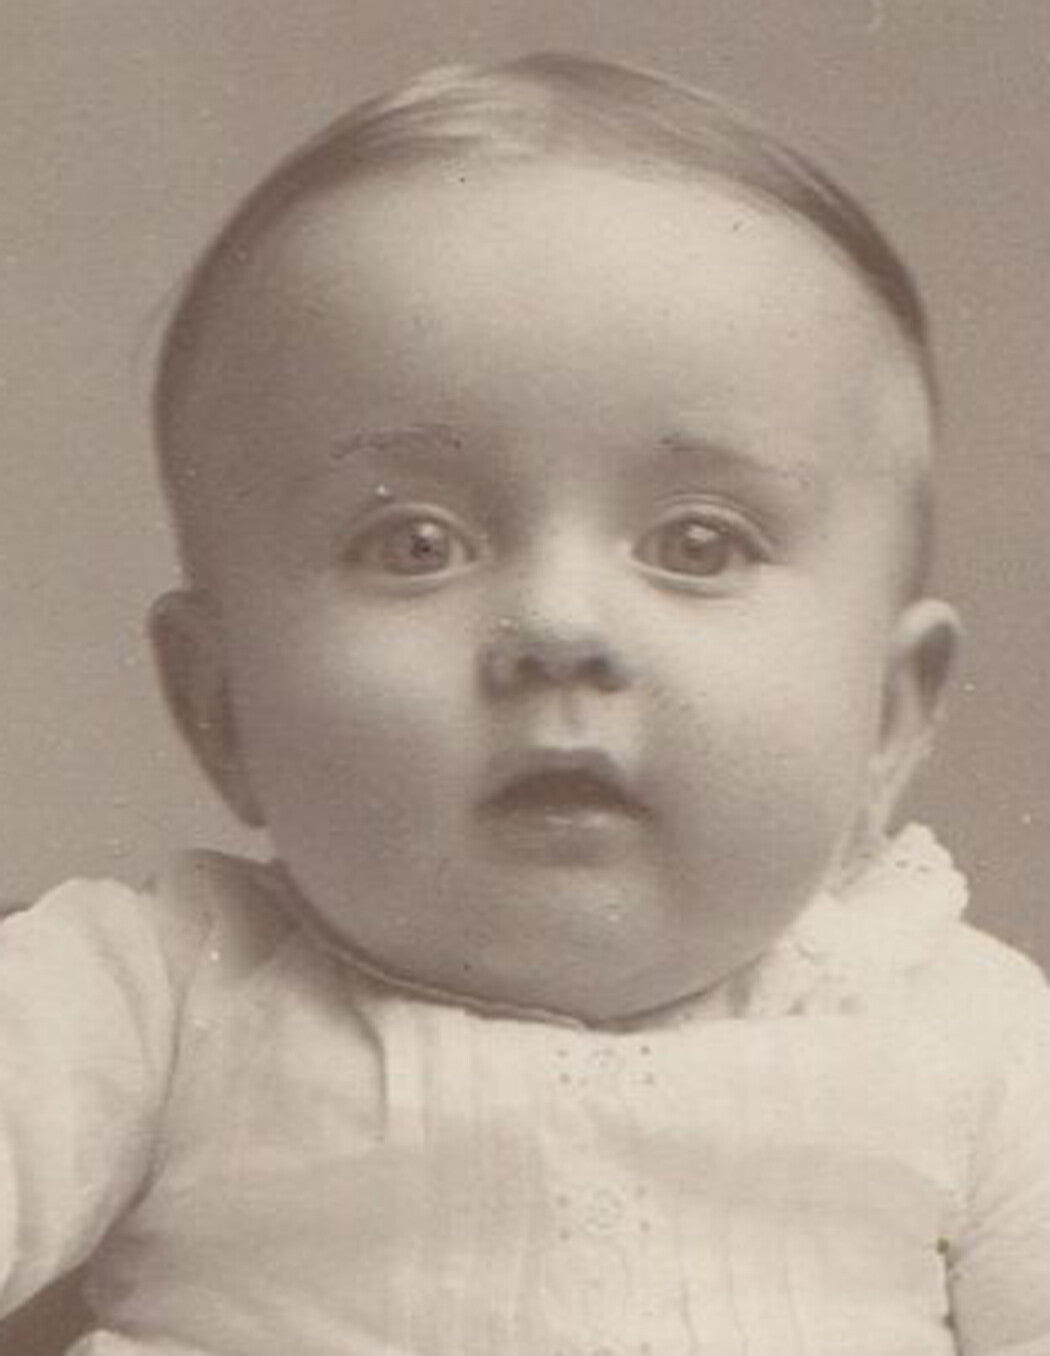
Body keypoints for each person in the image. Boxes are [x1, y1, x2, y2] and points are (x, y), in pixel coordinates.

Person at [2, 50, 1048, 1355]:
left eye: (700, 542)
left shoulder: (973, 1039)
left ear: (889, 717)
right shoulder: (143, 999)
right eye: (414, 544)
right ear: (221, 708)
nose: (557, 625)